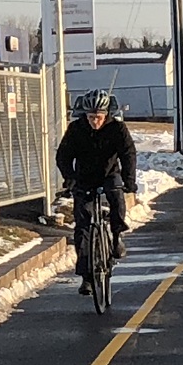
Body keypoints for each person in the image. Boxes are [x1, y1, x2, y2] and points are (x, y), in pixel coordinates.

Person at [55, 90, 137, 294]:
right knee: (82, 225)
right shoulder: (76, 129)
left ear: (106, 114)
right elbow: (63, 155)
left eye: (98, 117)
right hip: (84, 178)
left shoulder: (117, 128)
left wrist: (129, 181)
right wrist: (70, 177)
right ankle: (86, 277)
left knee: (116, 197)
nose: (94, 122)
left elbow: (128, 154)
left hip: (109, 174)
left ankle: (117, 236)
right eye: (91, 117)